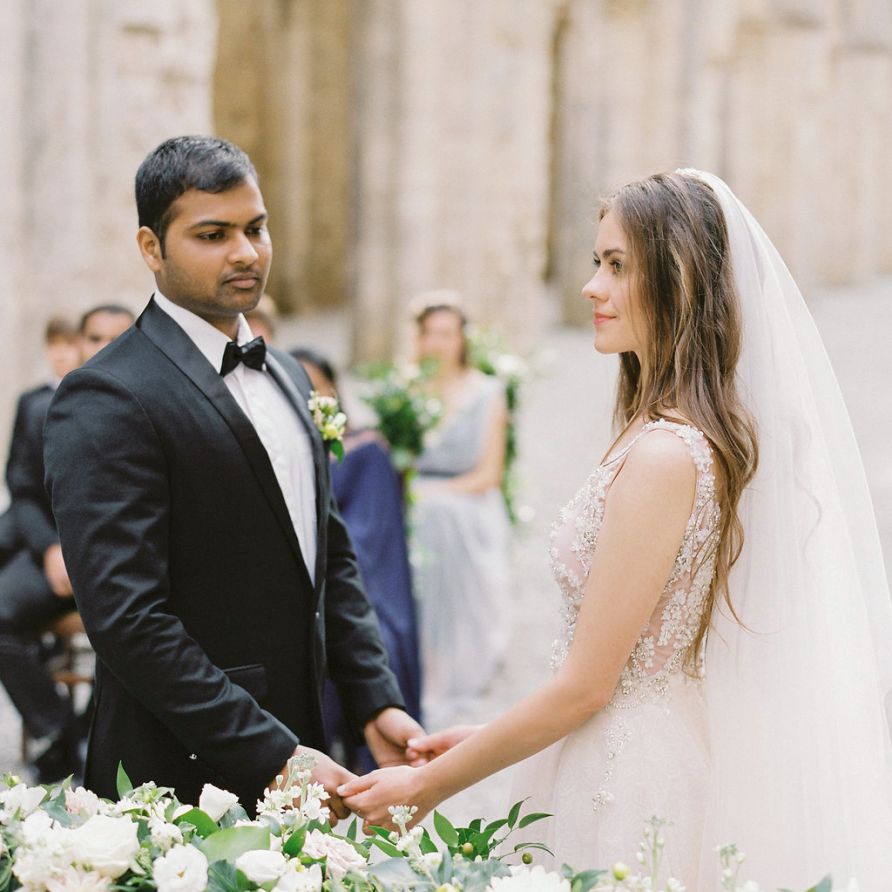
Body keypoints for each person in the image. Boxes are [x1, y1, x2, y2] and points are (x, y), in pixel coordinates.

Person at [340, 171, 892, 889]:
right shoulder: (662, 430)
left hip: (630, 784)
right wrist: (488, 740)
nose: (590, 287)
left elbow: (590, 686)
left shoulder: (666, 454)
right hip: (609, 747)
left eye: (616, 265)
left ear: (678, 282)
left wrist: (429, 785)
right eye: (596, 262)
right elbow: (613, 666)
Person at [43, 135, 423, 812]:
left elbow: (327, 557)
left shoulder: (287, 371)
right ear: (151, 248)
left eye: (256, 228)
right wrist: (269, 752)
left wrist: (374, 700)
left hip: (307, 745)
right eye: (212, 234)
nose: (246, 252)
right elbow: (129, 620)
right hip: (174, 776)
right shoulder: (106, 396)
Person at [0, 306, 133, 782]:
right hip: (53, 555)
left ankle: (91, 730)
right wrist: (52, 550)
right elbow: (24, 492)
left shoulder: (153, 405)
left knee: (136, 634)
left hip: (121, 561)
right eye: (94, 336)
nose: (104, 346)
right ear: (78, 344)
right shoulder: (41, 407)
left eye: (118, 336)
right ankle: (59, 731)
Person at [292, 348, 422, 773]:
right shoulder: (280, 457)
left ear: (333, 390)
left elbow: (366, 537)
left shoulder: (365, 452)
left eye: (314, 384)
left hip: (352, 585)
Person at [409, 296, 511, 729]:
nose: (436, 342)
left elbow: (488, 475)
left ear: (462, 339)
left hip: (467, 502)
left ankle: (452, 663)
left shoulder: (488, 392)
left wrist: (430, 494)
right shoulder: (408, 389)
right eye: (429, 333)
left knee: (441, 518)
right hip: (418, 502)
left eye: (445, 333)